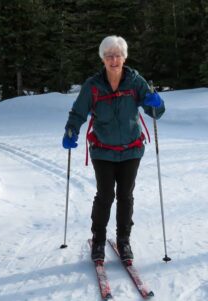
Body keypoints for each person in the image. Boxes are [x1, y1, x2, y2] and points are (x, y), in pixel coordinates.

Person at [62, 35, 165, 262]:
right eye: (109, 56)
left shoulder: (136, 81)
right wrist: (71, 131)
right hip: (103, 149)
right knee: (106, 195)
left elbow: (154, 110)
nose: (114, 60)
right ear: (103, 59)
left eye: (117, 55)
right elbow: (78, 112)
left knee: (125, 196)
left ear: (124, 57)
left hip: (131, 149)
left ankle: (124, 241)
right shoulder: (93, 85)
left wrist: (157, 103)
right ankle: (98, 241)